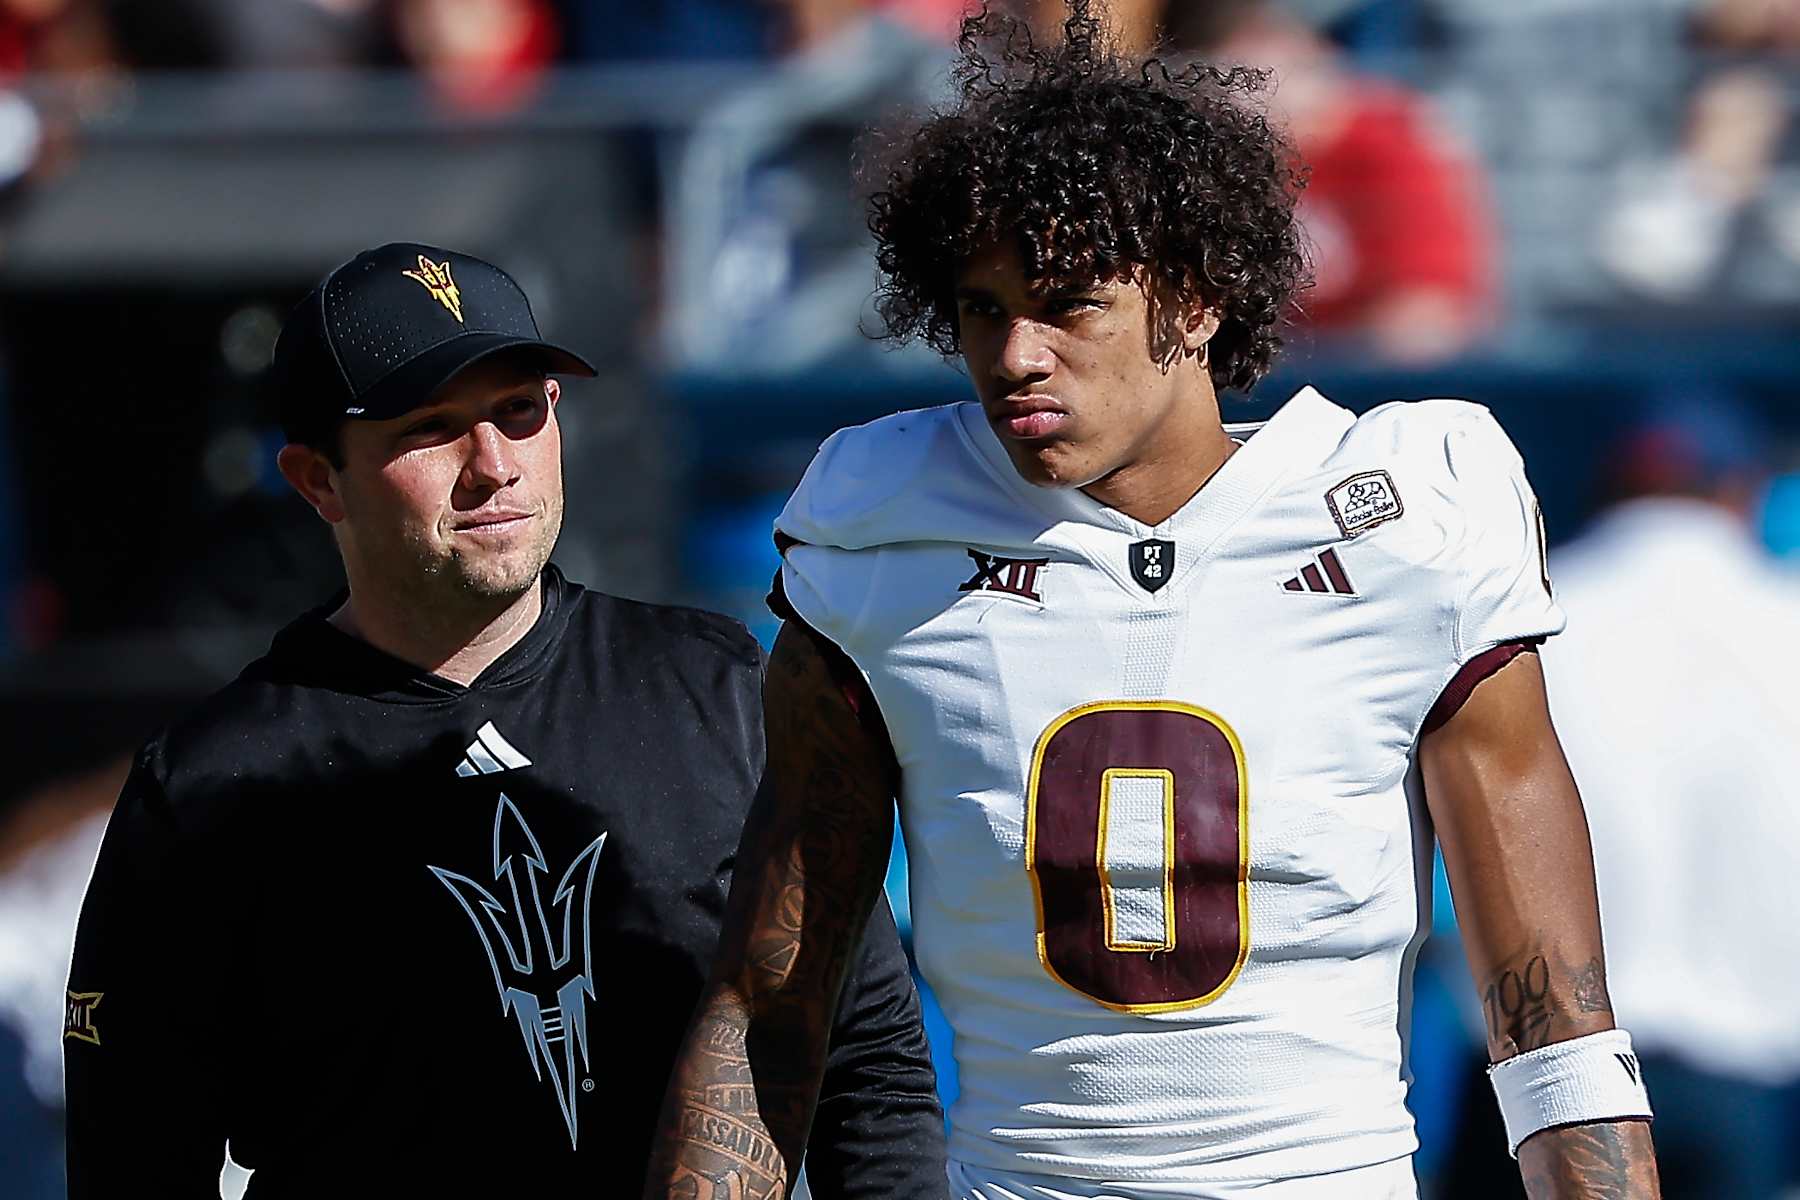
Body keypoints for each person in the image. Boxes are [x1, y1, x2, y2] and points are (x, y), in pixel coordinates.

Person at [646, 6, 1660, 1198]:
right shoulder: (886, 530)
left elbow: (1553, 1025)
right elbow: (773, 1003)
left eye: (1069, 301)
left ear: (1198, 299)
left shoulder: (1408, 525)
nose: (1015, 354)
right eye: (980, 307)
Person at [63, 242, 945, 1197]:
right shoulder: (215, 783)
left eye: (518, 411)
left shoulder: (717, 684)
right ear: (319, 480)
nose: (492, 467)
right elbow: (133, 1155)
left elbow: (868, 1065)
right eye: (431, 428)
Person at [1544, 393, 1800, 1200]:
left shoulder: (1535, 619)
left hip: (1558, 1075)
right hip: (1749, 1070)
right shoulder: (1783, 620)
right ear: (1741, 492)